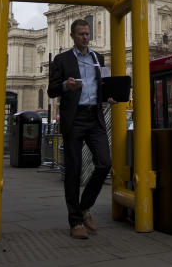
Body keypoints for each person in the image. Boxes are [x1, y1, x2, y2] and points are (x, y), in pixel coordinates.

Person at [47, 19, 115, 239]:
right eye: (81, 34)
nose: (85, 37)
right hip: (74, 118)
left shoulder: (98, 58)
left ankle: (84, 207)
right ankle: (75, 221)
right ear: (72, 36)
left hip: (94, 118)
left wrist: (109, 96)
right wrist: (67, 85)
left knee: (105, 163)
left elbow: (102, 84)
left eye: (87, 34)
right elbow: (51, 90)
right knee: (74, 171)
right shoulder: (61, 60)